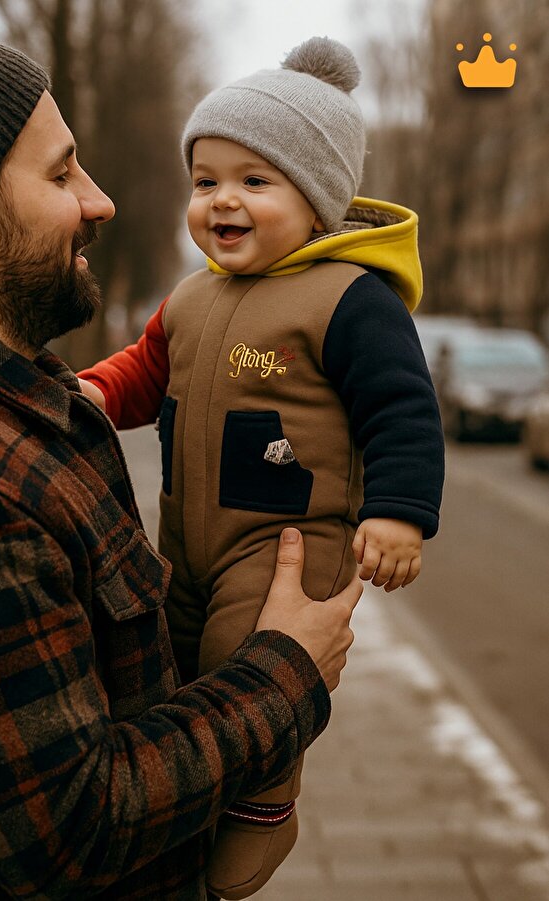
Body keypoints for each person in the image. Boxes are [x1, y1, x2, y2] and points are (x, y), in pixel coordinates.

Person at [0, 38, 363, 901]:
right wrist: (287, 670)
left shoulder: (29, 406)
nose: (97, 200)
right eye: (61, 176)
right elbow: (73, 830)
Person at [79, 37, 445, 899]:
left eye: (254, 180)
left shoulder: (349, 298)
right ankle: (181, 821)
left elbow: (402, 406)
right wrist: (93, 392)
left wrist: (396, 511)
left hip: (285, 548)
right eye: (206, 181)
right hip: (188, 545)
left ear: (315, 197)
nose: (222, 201)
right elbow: (145, 367)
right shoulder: (194, 294)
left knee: (248, 661)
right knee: (167, 671)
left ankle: (263, 812)